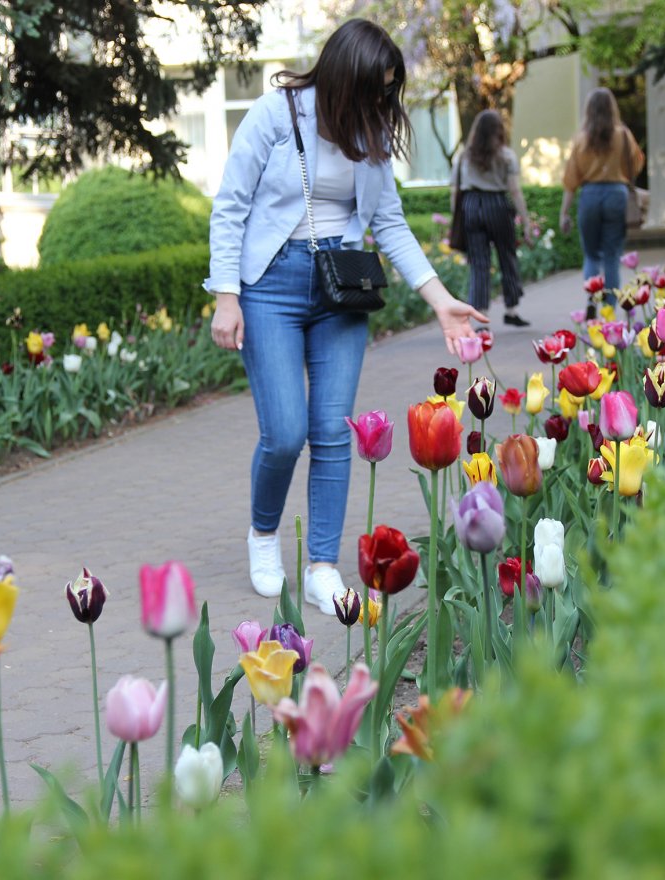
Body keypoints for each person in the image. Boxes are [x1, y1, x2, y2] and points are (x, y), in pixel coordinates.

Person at [205, 19, 486, 613]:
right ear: (340, 77)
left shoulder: (372, 129)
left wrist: (441, 302)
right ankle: (262, 536)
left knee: (334, 432)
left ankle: (322, 567)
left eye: (387, 91)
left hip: (342, 288)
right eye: (372, 89)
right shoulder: (275, 116)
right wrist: (226, 295)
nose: (381, 102)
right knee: (284, 433)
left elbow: (389, 221)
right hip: (270, 286)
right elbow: (229, 206)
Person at [559, 87, 645, 306]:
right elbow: (636, 165)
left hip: (589, 195)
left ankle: (592, 300)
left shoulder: (581, 140)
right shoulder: (623, 135)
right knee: (611, 257)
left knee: (591, 255)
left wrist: (564, 213)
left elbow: (570, 181)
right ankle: (610, 308)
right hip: (617, 194)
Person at [450, 109, 535, 326]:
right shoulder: (506, 155)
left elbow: (454, 190)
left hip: (470, 206)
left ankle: (480, 315)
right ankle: (512, 309)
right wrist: (525, 221)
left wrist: (455, 217)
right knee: (507, 255)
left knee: (479, 262)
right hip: (497, 205)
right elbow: (515, 190)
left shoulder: (463, 156)